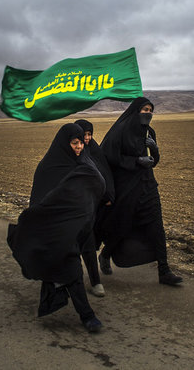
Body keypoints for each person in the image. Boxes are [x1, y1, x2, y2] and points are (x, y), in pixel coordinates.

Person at [7, 123, 105, 332]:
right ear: (64, 143)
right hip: (52, 229)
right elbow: (39, 199)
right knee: (71, 268)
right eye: (74, 142)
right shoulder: (48, 167)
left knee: (61, 268)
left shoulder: (82, 164)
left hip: (76, 228)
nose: (79, 147)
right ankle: (87, 315)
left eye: (80, 143)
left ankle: (57, 289)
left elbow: (93, 187)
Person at [97, 97, 183, 286]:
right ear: (136, 111)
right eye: (144, 109)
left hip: (148, 187)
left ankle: (164, 271)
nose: (148, 113)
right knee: (123, 226)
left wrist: (155, 151)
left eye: (150, 110)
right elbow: (109, 156)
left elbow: (153, 162)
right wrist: (135, 161)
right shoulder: (120, 130)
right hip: (127, 189)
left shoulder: (149, 132)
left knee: (157, 228)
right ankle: (106, 254)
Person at [74, 119, 116, 298]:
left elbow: (105, 173)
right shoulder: (70, 153)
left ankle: (96, 277)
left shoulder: (94, 150)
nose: (88, 138)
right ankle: (92, 281)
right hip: (76, 207)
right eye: (84, 135)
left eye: (90, 134)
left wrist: (108, 195)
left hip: (95, 206)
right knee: (82, 244)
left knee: (91, 242)